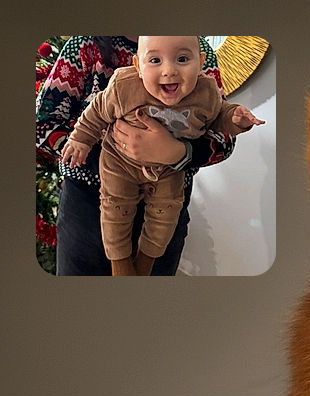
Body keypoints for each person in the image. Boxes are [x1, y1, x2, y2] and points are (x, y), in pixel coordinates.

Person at [62, 35, 264, 276]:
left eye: (182, 59)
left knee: (166, 214)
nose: (169, 71)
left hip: (170, 170)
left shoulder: (205, 90)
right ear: (138, 66)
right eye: (155, 60)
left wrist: (233, 120)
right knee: (116, 209)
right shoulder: (121, 83)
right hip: (113, 172)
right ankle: (121, 264)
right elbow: (93, 113)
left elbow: (218, 117)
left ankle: (145, 264)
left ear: (200, 63)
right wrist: (81, 140)